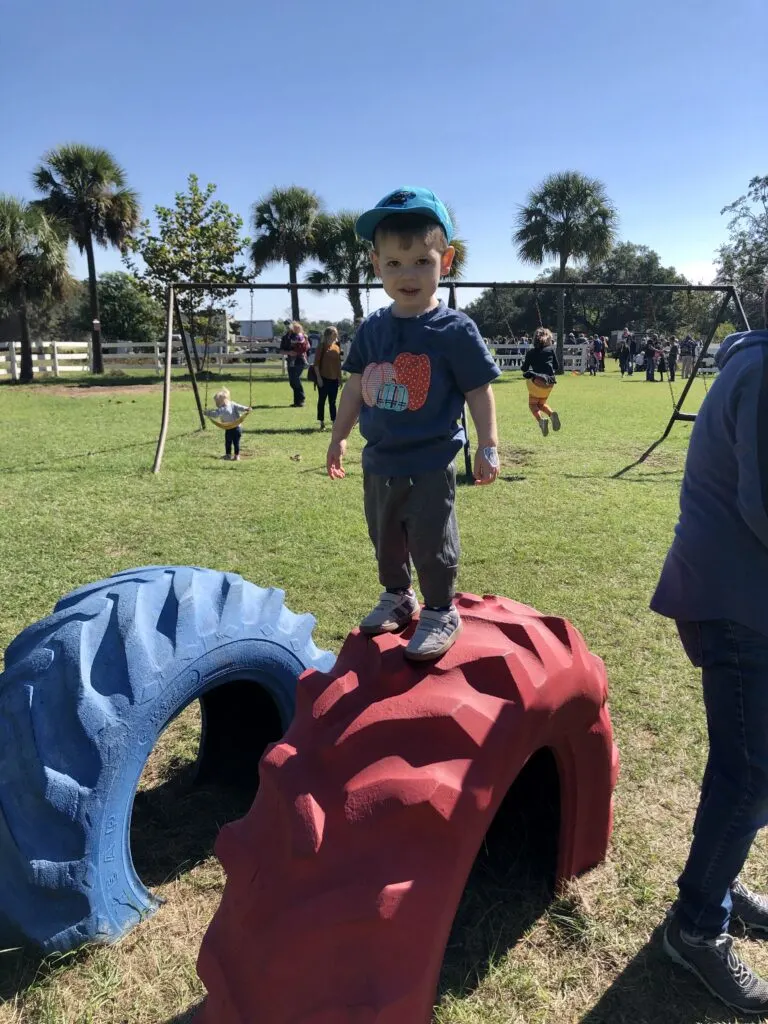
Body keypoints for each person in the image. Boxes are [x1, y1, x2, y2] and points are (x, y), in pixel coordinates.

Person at [651, 288, 768, 1014]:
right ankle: (696, 928)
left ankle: (714, 887)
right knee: (751, 774)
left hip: (749, 598)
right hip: (737, 602)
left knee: (752, 768)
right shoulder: (761, 372)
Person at [326, 186, 501, 661]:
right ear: (376, 265)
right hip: (379, 458)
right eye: (394, 263)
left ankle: (441, 608)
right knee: (385, 535)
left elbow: (478, 390)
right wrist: (339, 436)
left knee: (430, 537)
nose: (408, 275)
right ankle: (398, 596)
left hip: (431, 458)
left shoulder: (455, 330)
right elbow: (355, 387)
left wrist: (488, 444)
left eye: (422, 261)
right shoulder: (372, 329)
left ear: (445, 262)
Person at [522, 327, 562, 434]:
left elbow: (524, 369)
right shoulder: (551, 350)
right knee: (541, 404)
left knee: (532, 405)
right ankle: (551, 414)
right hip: (550, 383)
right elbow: (556, 366)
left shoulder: (531, 352)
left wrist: (526, 360)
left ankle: (541, 421)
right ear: (548, 339)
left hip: (537, 383)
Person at [204, 387, 251, 461]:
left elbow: (215, 414)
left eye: (217, 403)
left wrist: (207, 413)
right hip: (229, 427)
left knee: (234, 442)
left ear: (222, 402)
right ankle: (229, 455)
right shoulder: (231, 404)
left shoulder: (222, 409)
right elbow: (240, 407)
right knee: (229, 442)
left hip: (236, 427)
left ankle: (236, 455)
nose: (217, 405)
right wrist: (246, 408)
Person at [313, 325, 342, 430]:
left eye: (336, 334)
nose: (335, 336)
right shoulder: (322, 346)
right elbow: (316, 364)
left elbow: (338, 364)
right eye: (333, 334)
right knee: (322, 401)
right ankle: (321, 422)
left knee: (333, 402)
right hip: (323, 378)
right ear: (328, 335)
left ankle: (334, 422)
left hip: (334, 378)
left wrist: (340, 378)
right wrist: (319, 378)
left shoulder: (337, 347)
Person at [281, 320, 309, 407]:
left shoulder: (301, 336)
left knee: (295, 378)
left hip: (300, 360)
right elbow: (281, 350)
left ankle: (301, 399)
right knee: (292, 381)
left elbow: (307, 347)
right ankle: (297, 401)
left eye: (288, 325)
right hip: (290, 361)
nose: (288, 327)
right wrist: (289, 352)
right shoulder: (285, 337)